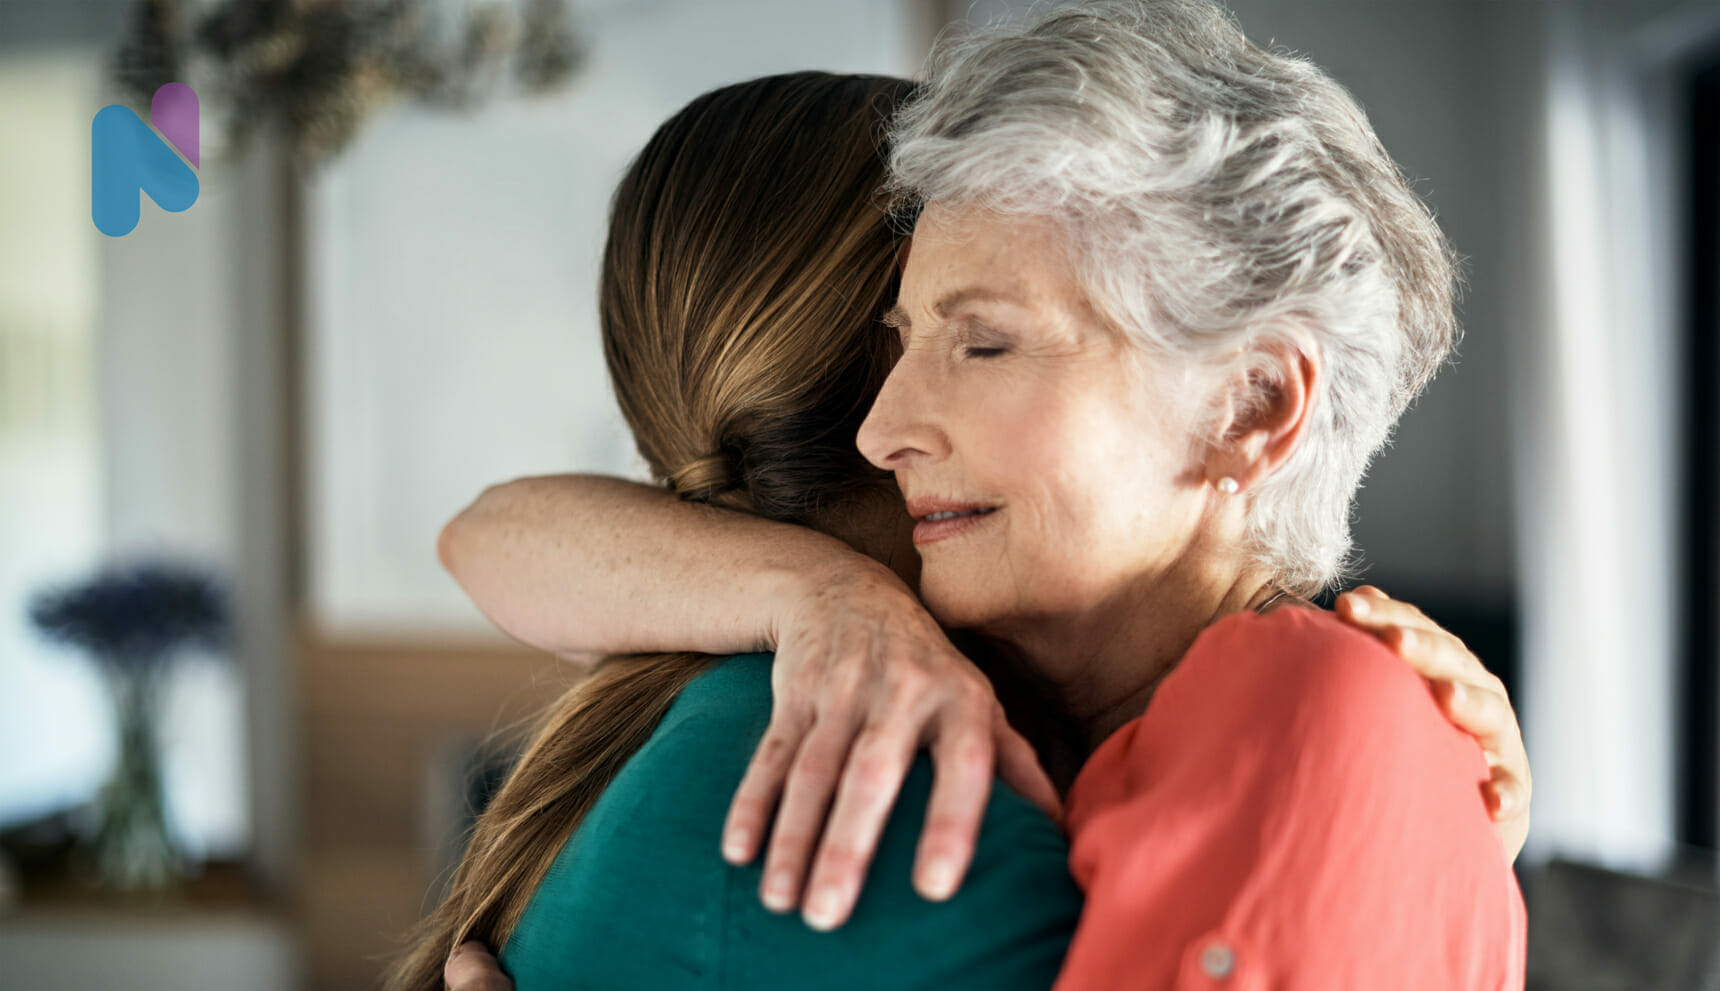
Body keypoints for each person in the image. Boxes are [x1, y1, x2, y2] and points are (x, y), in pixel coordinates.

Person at [434, 2, 1532, 986]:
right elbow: (490, 535)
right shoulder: (980, 718)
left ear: (1248, 406)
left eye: (988, 344)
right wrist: (820, 594)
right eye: (902, 341)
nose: (882, 427)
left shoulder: (1318, 715)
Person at [386, 71, 1084, 991]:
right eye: (978, 335)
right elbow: (477, 531)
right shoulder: (932, 838)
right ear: (897, 360)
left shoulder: (659, 710)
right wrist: (830, 591)